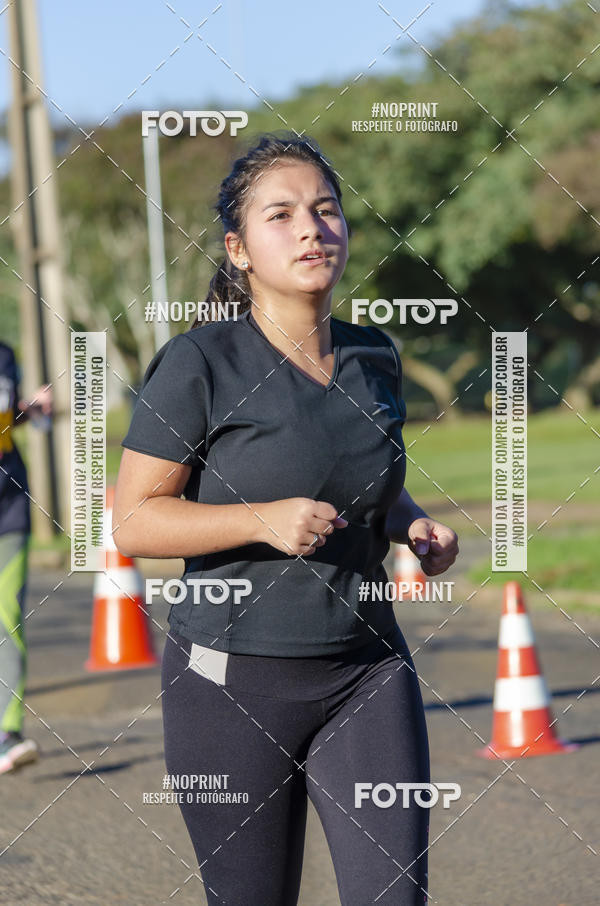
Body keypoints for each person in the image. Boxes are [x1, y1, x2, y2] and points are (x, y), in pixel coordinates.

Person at [114, 133, 459, 905]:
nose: (312, 228)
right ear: (238, 249)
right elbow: (134, 522)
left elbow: (364, 475)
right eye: (282, 215)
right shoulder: (199, 362)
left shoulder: (376, 355)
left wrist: (413, 525)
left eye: (326, 209)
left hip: (368, 671)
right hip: (229, 685)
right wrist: (260, 520)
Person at [0, 341, 52, 774]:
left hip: (8, 506)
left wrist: (27, 409)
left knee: (6, 616)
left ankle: (6, 733)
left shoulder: (5, 353)